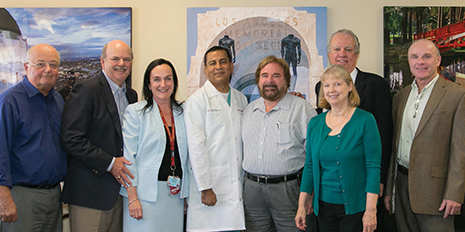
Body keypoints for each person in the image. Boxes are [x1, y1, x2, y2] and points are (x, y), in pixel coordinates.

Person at [316, 29, 394, 231]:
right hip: (330, 192)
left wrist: (380, 181)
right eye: (337, 49)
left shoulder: (377, 85)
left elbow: (385, 137)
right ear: (329, 55)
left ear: (356, 54)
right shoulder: (320, 86)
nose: (342, 54)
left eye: (348, 49)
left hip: (362, 185)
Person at [384, 39, 465, 232]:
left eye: (427, 56)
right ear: (409, 62)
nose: (420, 61)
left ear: (438, 60)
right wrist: (390, 190)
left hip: (436, 192)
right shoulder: (400, 97)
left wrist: (455, 193)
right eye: (415, 57)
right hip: (401, 186)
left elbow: (460, 150)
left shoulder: (457, 95)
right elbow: (394, 148)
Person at [60, 40, 138, 232]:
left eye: (126, 59)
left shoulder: (132, 95)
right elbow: (71, 138)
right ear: (103, 62)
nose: (121, 63)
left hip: (120, 193)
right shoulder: (86, 90)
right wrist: (111, 163)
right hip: (90, 194)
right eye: (115, 58)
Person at [296, 65, 381, 232]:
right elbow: (309, 166)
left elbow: (373, 168)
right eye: (326, 85)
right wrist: (301, 205)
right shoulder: (315, 123)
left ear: (350, 86)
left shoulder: (365, 120)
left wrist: (371, 210)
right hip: (324, 208)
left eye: (337, 84)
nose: (331, 90)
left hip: (356, 208)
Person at [241, 55, 316, 232]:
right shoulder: (248, 110)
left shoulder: (302, 108)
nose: (270, 80)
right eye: (265, 75)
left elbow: (314, 155)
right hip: (252, 193)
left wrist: (310, 193)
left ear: (287, 81)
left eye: (276, 75)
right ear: (258, 80)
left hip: (288, 191)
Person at [0, 44, 67, 231]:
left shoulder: (57, 100)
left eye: (53, 65)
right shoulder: (10, 102)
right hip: (21, 195)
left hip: (54, 194)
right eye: (40, 64)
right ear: (26, 67)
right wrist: (3, 198)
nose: (48, 69)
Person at [119, 59, 189, 231]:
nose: (163, 84)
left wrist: (187, 194)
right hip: (144, 196)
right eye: (157, 79)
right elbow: (129, 158)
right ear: (149, 85)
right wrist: (132, 197)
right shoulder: (135, 112)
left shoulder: (185, 112)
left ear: (174, 82)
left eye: (168, 78)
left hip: (176, 195)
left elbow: (189, 158)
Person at [184, 46, 247, 231]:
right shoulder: (197, 101)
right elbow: (196, 147)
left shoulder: (241, 99)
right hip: (210, 189)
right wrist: (205, 187)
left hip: (235, 187)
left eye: (223, 61)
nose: (218, 67)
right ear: (205, 69)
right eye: (212, 63)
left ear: (231, 66)